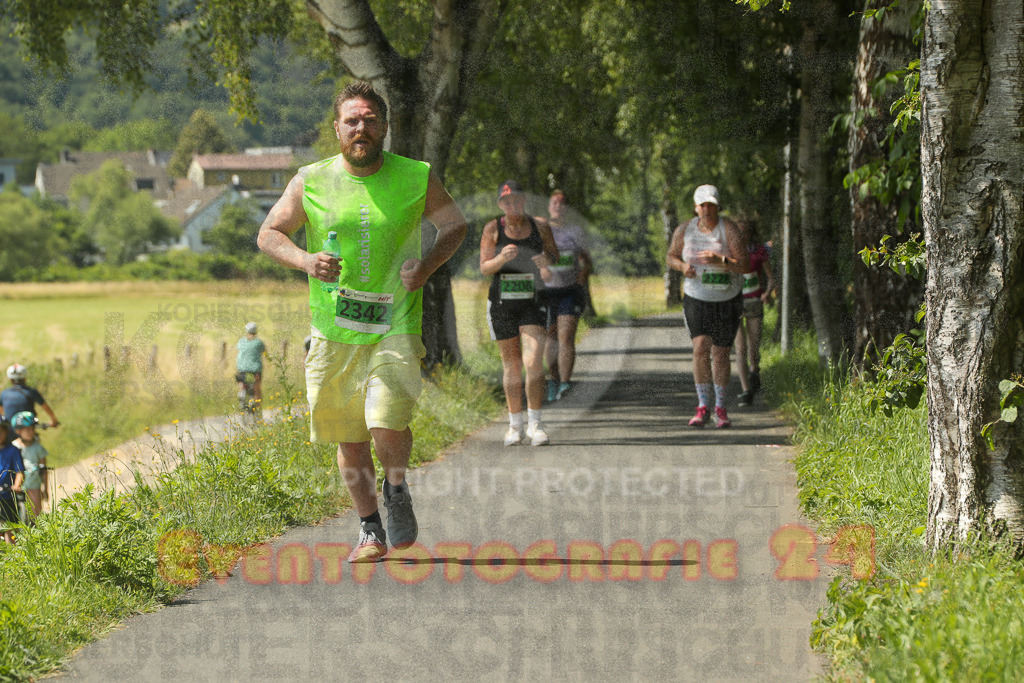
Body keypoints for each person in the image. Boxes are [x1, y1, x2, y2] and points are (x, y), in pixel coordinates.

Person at [257, 81, 467, 563]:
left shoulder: (416, 176)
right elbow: (269, 233)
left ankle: (396, 489)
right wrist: (306, 260)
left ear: (385, 127)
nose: (361, 128)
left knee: (385, 421)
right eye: (352, 120)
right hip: (333, 330)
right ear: (337, 129)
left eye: (370, 120)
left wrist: (426, 267)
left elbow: (454, 225)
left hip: (396, 323)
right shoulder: (310, 180)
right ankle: (370, 528)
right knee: (350, 437)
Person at [481, 180, 559, 447]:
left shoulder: (540, 226)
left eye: (517, 200)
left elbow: (554, 254)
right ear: (500, 204)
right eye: (507, 201)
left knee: (533, 360)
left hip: (532, 301)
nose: (512, 205)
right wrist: (501, 258)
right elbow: (485, 267)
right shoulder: (493, 228)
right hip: (502, 303)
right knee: (512, 365)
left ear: (524, 201)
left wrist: (547, 260)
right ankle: (514, 425)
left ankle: (535, 424)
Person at [667, 184, 749, 428]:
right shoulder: (685, 230)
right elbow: (671, 256)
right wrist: (683, 267)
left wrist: (720, 260)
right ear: (696, 208)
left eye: (711, 205)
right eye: (702, 205)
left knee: (721, 353)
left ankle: (720, 408)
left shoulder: (729, 229)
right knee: (701, 347)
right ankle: (703, 406)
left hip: (727, 298)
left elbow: (744, 265)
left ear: (718, 206)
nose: (707, 210)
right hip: (697, 296)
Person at [540, 190, 593, 403]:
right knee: (550, 339)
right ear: (549, 207)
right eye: (554, 203)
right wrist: (543, 268)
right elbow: (533, 255)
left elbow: (586, 259)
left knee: (566, 336)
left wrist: (584, 272)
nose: (558, 206)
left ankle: (565, 383)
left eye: (562, 203)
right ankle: (553, 380)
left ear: (567, 208)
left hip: (570, 291)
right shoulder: (542, 229)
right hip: (547, 292)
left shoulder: (575, 232)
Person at [734, 217, 776, 407]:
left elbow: (771, 278)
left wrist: (766, 293)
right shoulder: (730, 251)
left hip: (754, 303)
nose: (742, 236)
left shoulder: (758, 252)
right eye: (738, 232)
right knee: (740, 348)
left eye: (745, 232)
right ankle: (746, 390)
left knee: (753, 346)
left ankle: (754, 371)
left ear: (750, 233)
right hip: (735, 304)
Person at [1, 364, 59, 445]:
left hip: (10, 432)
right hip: (28, 430)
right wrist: (54, 420)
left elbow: (0, 414)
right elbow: (45, 407)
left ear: (10, 380)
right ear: (24, 378)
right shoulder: (31, 392)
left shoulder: (4, 394)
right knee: (35, 446)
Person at [10, 411, 46, 524]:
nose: (31, 432)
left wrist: (45, 489)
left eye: (32, 429)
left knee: (36, 515)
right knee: (15, 515)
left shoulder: (38, 448)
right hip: (17, 486)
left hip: (34, 485)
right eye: (27, 429)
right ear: (18, 431)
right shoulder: (13, 447)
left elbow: (44, 470)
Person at [0, 422, 24, 543]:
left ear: (6, 432)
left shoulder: (13, 451)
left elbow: (19, 471)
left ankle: (13, 552)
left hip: (7, 496)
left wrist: (16, 485)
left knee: (9, 527)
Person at [236, 321, 266, 409]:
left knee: (242, 382)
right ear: (256, 331)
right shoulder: (258, 343)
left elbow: (238, 353)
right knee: (257, 388)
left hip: (242, 369)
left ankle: (241, 393)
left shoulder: (241, 341)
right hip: (255, 370)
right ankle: (257, 406)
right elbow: (265, 353)